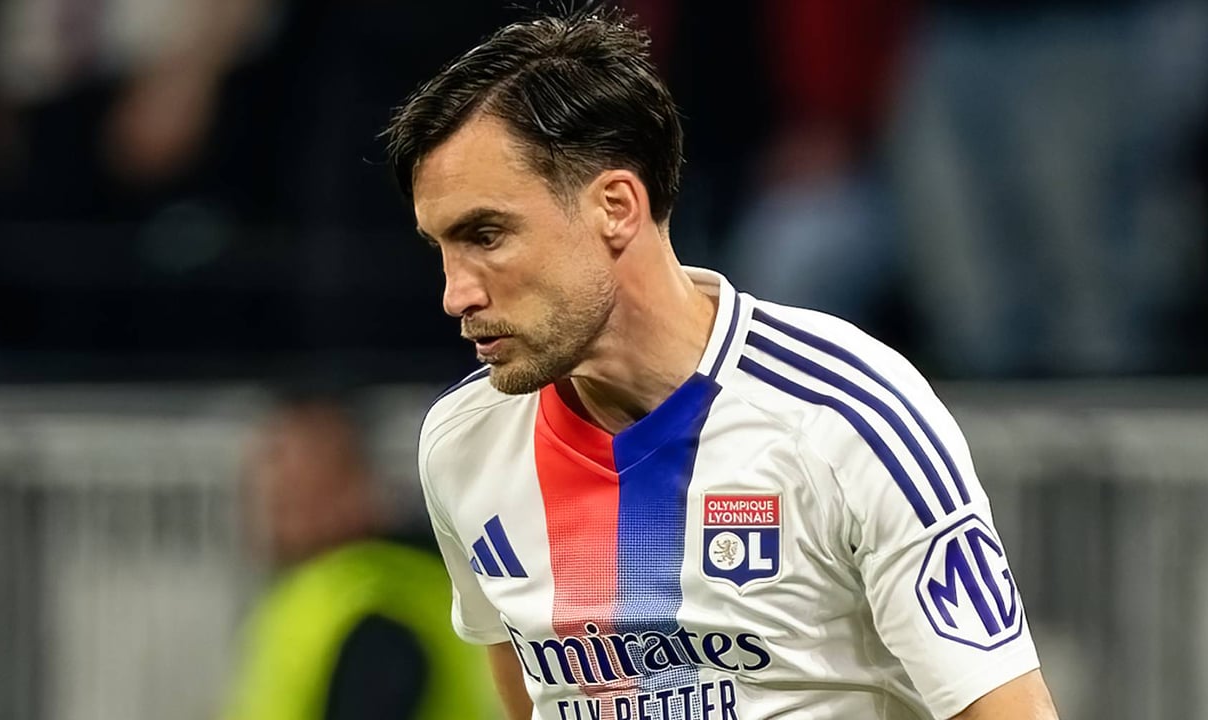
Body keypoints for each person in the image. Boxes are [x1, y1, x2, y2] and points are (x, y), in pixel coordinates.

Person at [384, 5, 1059, 720]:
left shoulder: (846, 415)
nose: (455, 294)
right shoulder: (463, 442)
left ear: (616, 206)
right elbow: (530, 698)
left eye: (486, 235)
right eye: (442, 249)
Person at [221, 394, 498, 720]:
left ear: (359, 490)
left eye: (295, 495)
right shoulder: (322, 593)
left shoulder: (373, 600)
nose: (270, 499)